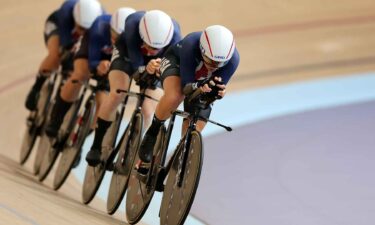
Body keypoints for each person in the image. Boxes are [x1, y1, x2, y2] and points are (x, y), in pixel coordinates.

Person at [85, 10, 182, 166]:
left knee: (149, 110)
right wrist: (145, 68)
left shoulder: (176, 38)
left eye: (157, 48)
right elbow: (136, 66)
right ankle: (96, 145)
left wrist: (157, 69)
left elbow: (172, 69)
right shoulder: (132, 24)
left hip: (155, 62)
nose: (152, 51)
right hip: (127, 54)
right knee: (118, 93)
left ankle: (135, 147)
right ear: (142, 37)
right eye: (150, 46)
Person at [137, 25, 240, 165]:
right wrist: (199, 87)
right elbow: (186, 86)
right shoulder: (191, 43)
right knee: (176, 95)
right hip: (177, 64)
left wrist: (218, 93)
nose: (215, 66)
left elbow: (216, 88)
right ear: (202, 50)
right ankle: (152, 132)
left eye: (221, 63)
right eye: (211, 60)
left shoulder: (233, 60)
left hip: (200, 80)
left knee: (198, 119)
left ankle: (181, 153)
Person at [44, 7, 135, 139]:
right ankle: (56, 120)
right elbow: (92, 61)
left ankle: (81, 139)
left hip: (112, 61)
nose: (116, 41)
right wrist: (98, 66)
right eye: (114, 35)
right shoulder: (99, 27)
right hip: (91, 52)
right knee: (80, 74)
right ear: (110, 28)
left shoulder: (133, 43)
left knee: (105, 102)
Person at [25, 0, 103, 111]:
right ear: (75, 19)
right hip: (58, 25)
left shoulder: (101, 21)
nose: (83, 32)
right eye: (81, 28)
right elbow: (66, 43)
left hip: (80, 31)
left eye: (87, 30)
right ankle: (37, 87)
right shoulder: (66, 11)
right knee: (56, 54)